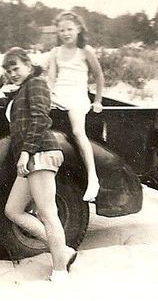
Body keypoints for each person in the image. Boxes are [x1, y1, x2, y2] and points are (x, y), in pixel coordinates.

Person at [0, 47, 78, 282]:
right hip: (32, 156)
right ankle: (63, 251)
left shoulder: (36, 84)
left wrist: (26, 153)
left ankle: (60, 271)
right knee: (13, 210)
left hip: (40, 152)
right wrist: (0, 79)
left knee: (47, 212)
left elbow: (40, 119)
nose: (13, 73)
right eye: (8, 70)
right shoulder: (21, 89)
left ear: (28, 64)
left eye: (16, 68)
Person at [47, 11, 105, 202]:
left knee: (78, 132)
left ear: (78, 29)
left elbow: (98, 76)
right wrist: (47, 97)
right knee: (39, 120)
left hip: (77, 96)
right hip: (59, 95)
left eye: (69, 29)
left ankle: (93, 179)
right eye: (62, 30)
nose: (65, 33)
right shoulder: (56, 52)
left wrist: (97, 100)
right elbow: (51, 79)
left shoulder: (85, 51)